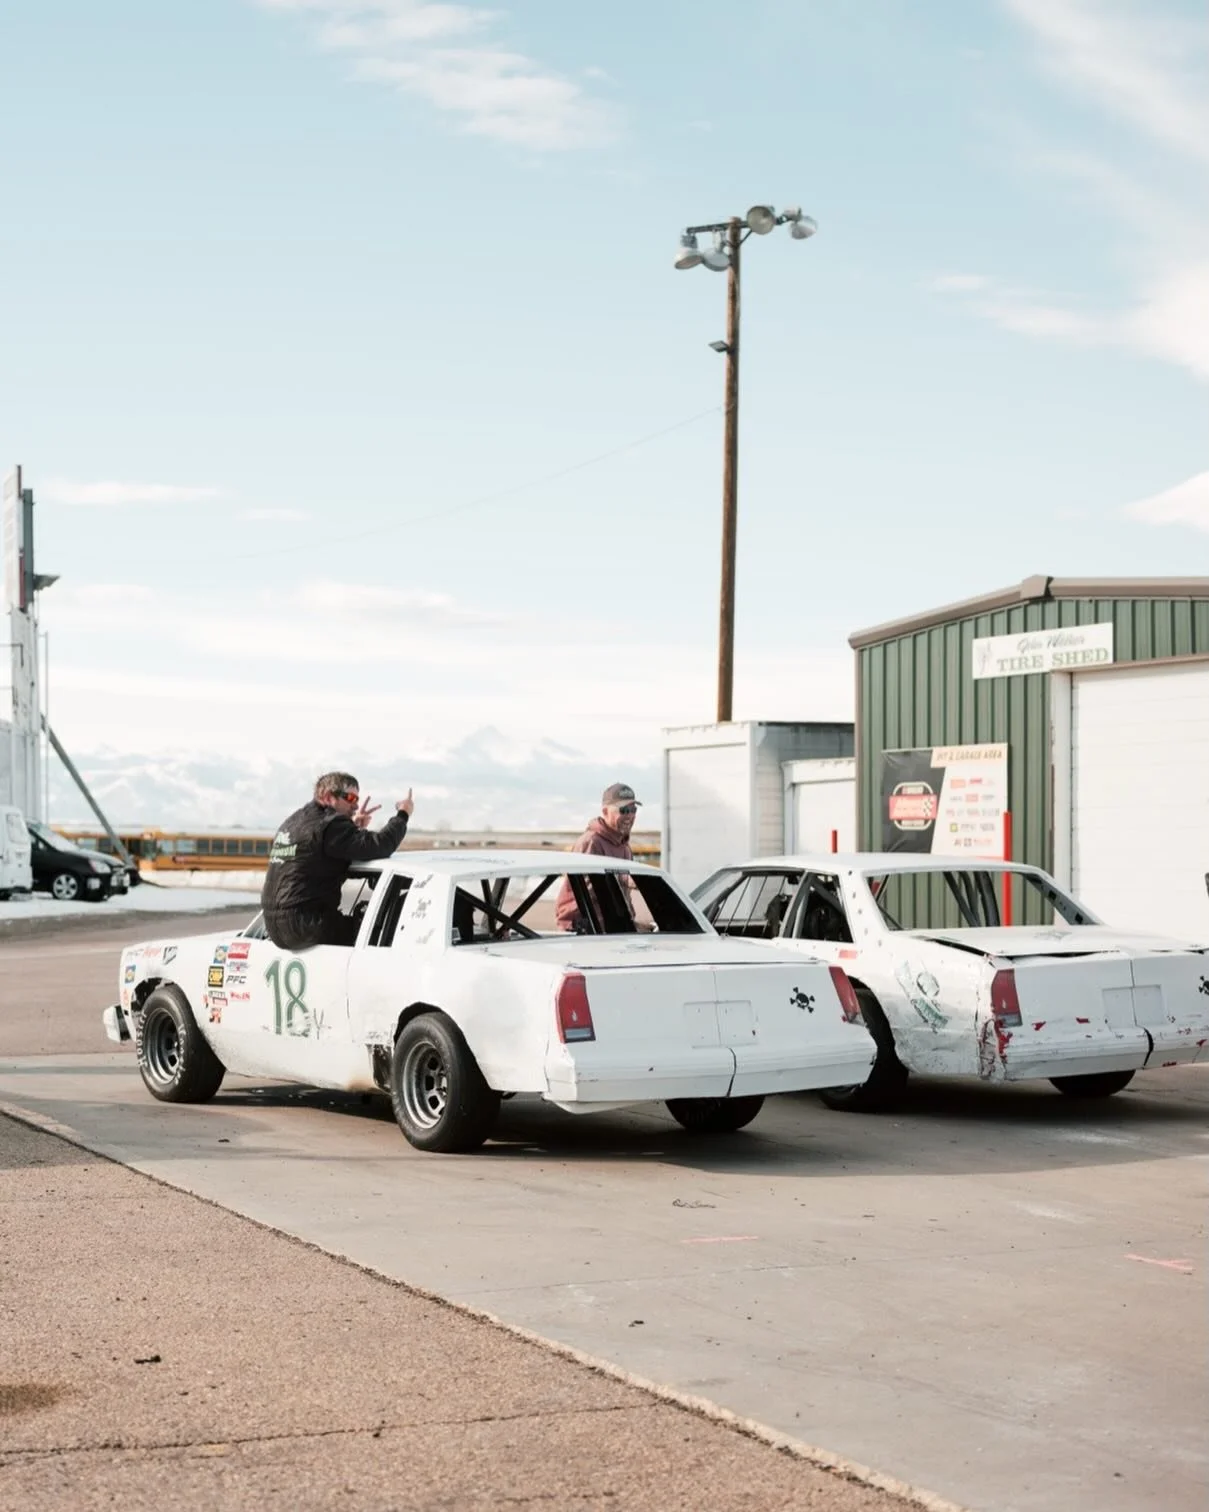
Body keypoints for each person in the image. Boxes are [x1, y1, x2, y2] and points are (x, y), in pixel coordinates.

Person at [261, 772, 414, 950]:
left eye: (356, 798)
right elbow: (380, 845)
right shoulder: (331, 825)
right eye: (349, 798)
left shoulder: (292, 822)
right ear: (327, 797)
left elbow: (317, 855)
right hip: (308, 925)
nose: (356, 805)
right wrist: (403, 814)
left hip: (275, 928)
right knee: (379, 932)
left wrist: (352, 828)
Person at [555, 782, 644, 932]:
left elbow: (623, 897)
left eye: (633, 810)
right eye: (623, 810)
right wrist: (624, 879)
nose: (629, 815)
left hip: (609, 929)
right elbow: (587, 892)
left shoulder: (624, 846)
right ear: (605, 811)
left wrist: (631, 924)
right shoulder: (591, 842)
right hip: (584, 929)